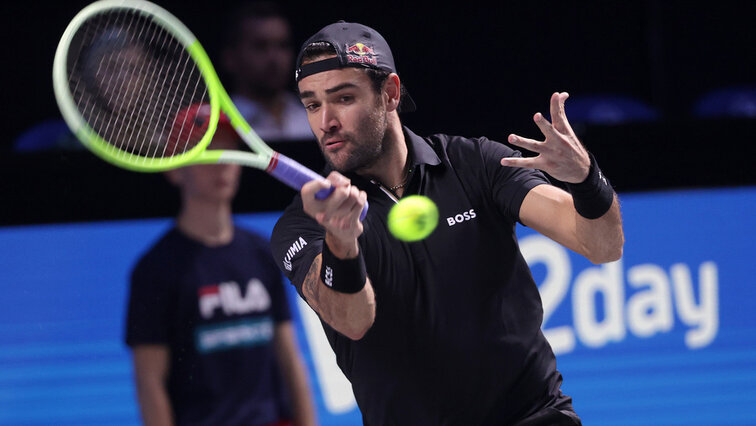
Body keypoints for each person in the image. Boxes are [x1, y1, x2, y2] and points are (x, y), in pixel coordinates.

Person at [270, 21, 624, 425]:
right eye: (312, 104)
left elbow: (602, 245)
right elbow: (351, 320)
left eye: (343, 98)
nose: (325, 122)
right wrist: (342, 240)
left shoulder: (476, 165)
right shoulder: (303, 224)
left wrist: (585, 179)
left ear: (390, 93)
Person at [125, 103, 317, 426]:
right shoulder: (153, 270)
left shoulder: (261, 251)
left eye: (229, 151)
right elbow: (149, 382)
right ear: (173, 168)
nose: (223, 164)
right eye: (208, 152)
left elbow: (289, 357)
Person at [220, 2, 312, 142]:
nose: (274, 58)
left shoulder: (311, 118)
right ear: (230, 58)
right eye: (260, 46)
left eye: (283, 45)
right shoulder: (217, 126)